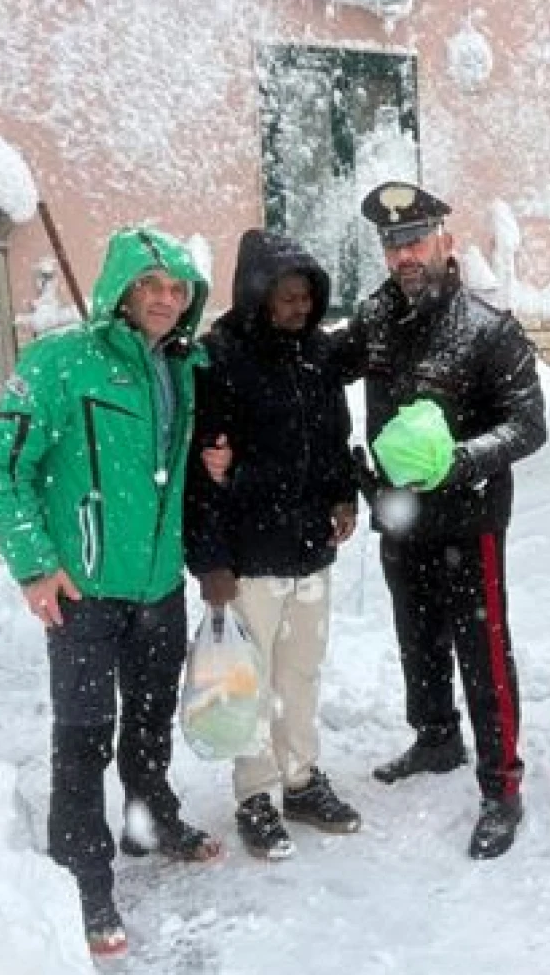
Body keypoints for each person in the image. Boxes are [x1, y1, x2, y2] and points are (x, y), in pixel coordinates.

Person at [0, 225, 223, 962]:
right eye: (151, 286)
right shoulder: (58, 361)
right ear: (121, 288)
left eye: (178, 290)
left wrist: (214, 454)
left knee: (148, 722)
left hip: (157, 586)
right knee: (83, 735)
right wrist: (34, 565)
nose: (165, 301)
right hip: (83, 590)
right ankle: (82, 872)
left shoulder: (180, 368)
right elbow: (0, 466)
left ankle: (150, 819)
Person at [334, 180, 548, 860]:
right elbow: (316, 367)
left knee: (482, 655)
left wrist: (460, 460)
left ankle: (502, 786)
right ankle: (435, 737)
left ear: (445, 243)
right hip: (402, 517)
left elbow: (529, 425)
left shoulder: (488, 329)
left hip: (468, 520)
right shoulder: (374, 318)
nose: (405, 254)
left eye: (416, 239)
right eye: (393, 243)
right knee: (416, 636)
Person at [185, 228, 366, 861]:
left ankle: (300, 777)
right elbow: (197, 468)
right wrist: (209, 559)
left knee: (301, 672)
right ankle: (255, 793)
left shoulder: (316, 354)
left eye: (307, 298)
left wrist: (344, 495)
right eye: (287, 298)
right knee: (249, 678)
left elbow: (335, 435)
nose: (299, 310)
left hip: (311, 547)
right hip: (251, 557)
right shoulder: (220, 359)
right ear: (257, 295)